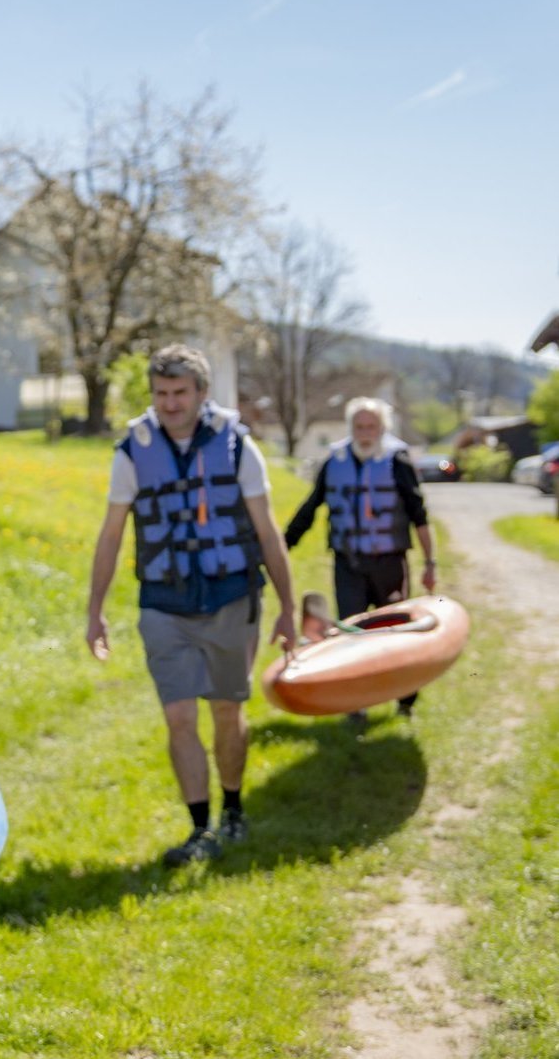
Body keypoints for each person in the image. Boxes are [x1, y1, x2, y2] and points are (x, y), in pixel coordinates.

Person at [85, 344, 298, 866]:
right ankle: (200, 828)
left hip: (231, 595)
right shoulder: (131, 452)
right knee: (179, 717)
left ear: (203, 394)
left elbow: (268, 531)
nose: (171, 404)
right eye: (161, 394)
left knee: (227, 710)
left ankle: (234, 810)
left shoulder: (236, 448)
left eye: (181, 393)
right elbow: (111, 536)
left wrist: (289, 608)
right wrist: (95, 611)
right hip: (163, 602)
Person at [282, 396, 437, 720]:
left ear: (383, 428)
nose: (365, 433)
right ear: (351, 428)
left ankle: (405, 700)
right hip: (348, 563)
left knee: (396, 632)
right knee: (351, 632)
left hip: (389, 562)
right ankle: (356, 703)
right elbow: (310, 509)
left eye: (372, 426)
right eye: (359, 426)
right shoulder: (335, 461)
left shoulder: (397, 460)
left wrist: (430, 562)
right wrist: (281, 547)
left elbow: (418, 513)